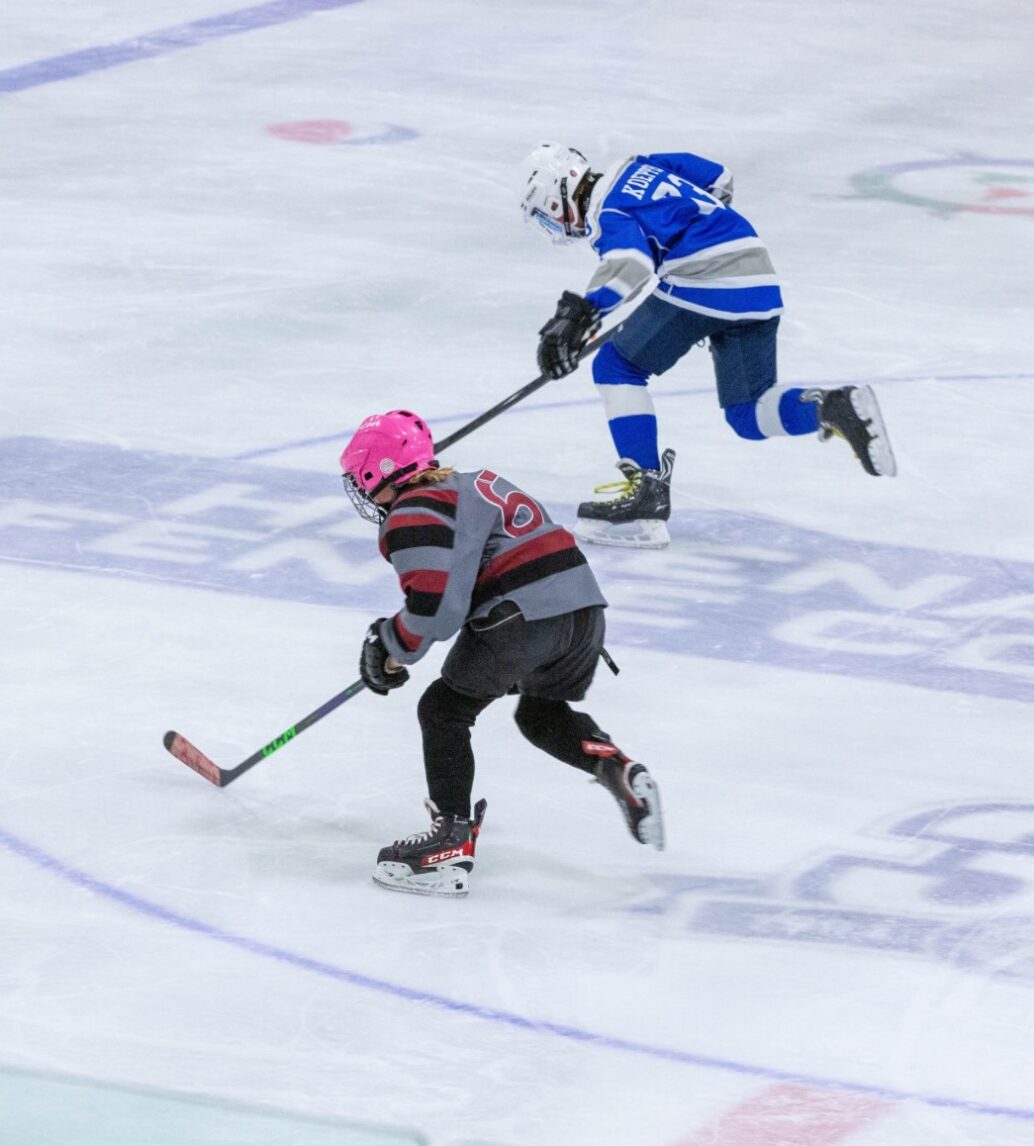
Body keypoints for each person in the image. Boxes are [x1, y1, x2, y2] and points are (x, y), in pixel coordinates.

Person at [339, 409, 664, 898]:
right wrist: (397, 645)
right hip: (584, 615)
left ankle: (448, 845)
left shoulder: (413, 512)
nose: (362, 494)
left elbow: (435, 614)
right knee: (540, 713)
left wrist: (387, 642)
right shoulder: (477, 483)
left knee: (443, 710)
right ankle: (616, 768)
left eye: (361, 481)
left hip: (521, 619)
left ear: (378, 472)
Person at [520, 143, 898, 549]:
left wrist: (580, 316)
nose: (557, 229)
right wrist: (690, 236)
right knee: (748, 414)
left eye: (547, 218)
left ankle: (646, 496)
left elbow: (630, 264)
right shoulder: (644, 165)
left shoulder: (608, 210)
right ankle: (834, 407)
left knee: (616, 367)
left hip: (706, 283)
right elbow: (719, 178)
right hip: (758, 279)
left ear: (558, 199)